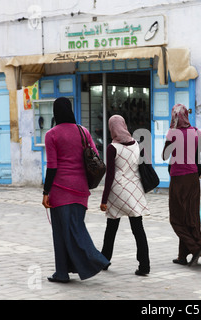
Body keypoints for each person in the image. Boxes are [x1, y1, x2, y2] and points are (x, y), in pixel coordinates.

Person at [42, 97, 110, 283]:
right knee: (74, 228)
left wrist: (46, 192)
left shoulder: (52, 135)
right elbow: (94, 156)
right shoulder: (83, 131)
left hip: (60, 189)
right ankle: (62, 272)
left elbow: (52, 167)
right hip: (81, 189)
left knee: (64, 231)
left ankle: (97, 259)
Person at [162, 104, 201, 266]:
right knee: (190, 216)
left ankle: (195, 248)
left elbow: (164, 155)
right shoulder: (195, 132)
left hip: (179, 179)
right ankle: (182, 256)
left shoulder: (172, 133)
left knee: (176, 218)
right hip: (193, 178)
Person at [100, 115, 150, 276]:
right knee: (138, 229)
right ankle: (144, 265)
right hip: (135, 189)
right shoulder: (137, 144)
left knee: (111, 227)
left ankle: (104, 260)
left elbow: (109, 175)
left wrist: (104, 199)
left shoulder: (112, 148)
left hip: (118, 190)